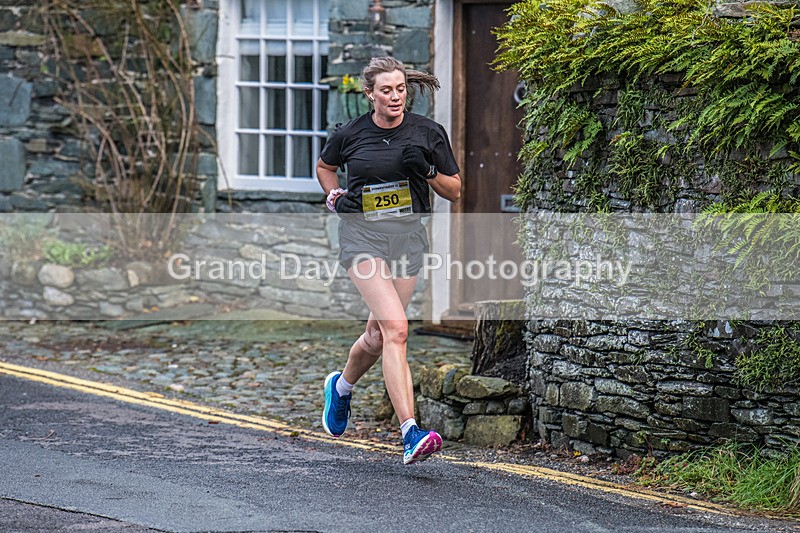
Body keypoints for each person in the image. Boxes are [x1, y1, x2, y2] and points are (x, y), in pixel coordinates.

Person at [315, 57, 461, 465]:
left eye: (400, 90)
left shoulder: (428, 133)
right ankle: (410, 432)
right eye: (386, 90)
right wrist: (334, 197)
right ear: (370, 94)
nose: (395, 97)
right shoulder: (349, 134)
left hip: (409, 242)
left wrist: (428, 170)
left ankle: (341, 388)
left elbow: (454, 191)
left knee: (379, 336)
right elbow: (325, 167)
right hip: (362, 238)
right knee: (397, 329)